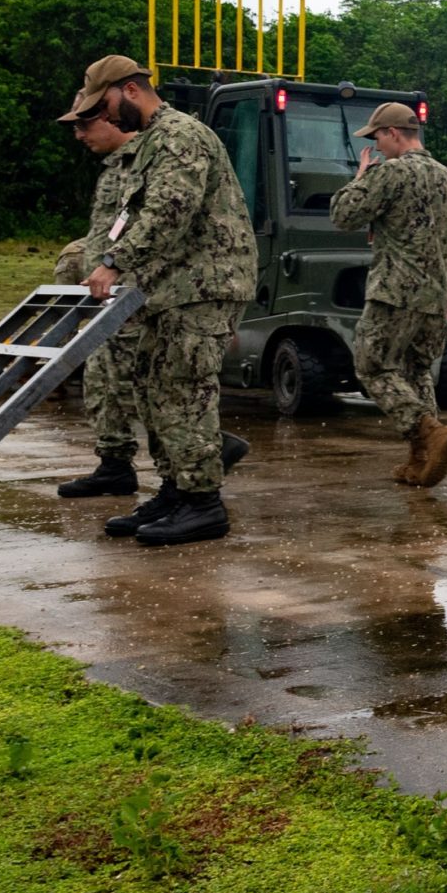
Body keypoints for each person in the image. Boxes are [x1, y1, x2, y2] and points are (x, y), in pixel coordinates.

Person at [68, 55, 255, 547]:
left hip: (203, 285)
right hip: (170, 289)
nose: (105, 117)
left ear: (130, 89)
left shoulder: (179, 136)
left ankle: (203, 502)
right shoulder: (153, 140)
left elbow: (169, 211)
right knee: (154, 388)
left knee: (182, 389)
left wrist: (115, 262)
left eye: (105, 105)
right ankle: (175, 491)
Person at [330, 102, 447, 488]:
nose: (375, 146)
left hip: (393, 293)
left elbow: (343, 215)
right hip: (435, 298)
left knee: (372, 367)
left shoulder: (390, 173)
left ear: (393, 133)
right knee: (415, 372)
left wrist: (360, 177)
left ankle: (430, 432)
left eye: (377, 137)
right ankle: (422, 459)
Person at [54, 106, 149, 496]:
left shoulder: (149, 161)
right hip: (105, 295)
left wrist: (114, 267)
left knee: (140, 385)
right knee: (101, 380)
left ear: (111, 117)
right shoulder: (114, 167)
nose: (79, 134)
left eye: (84, 124)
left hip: (135, 293)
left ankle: (201, 456)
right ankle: (114, 465)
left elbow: (155, 226)